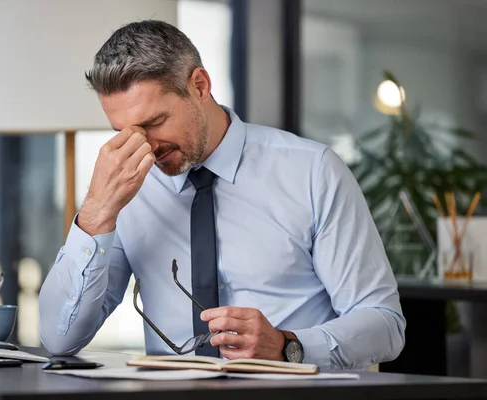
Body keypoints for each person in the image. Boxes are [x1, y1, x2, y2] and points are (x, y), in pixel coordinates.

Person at [38, 20, 405, 371]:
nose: (145, 147)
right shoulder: (127, 190)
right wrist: (97, 211)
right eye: (125, 132)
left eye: (154, 123)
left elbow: (385, 325)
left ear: (199, 85)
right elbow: (59, 339)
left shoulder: (313, 171)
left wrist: (287, 346)